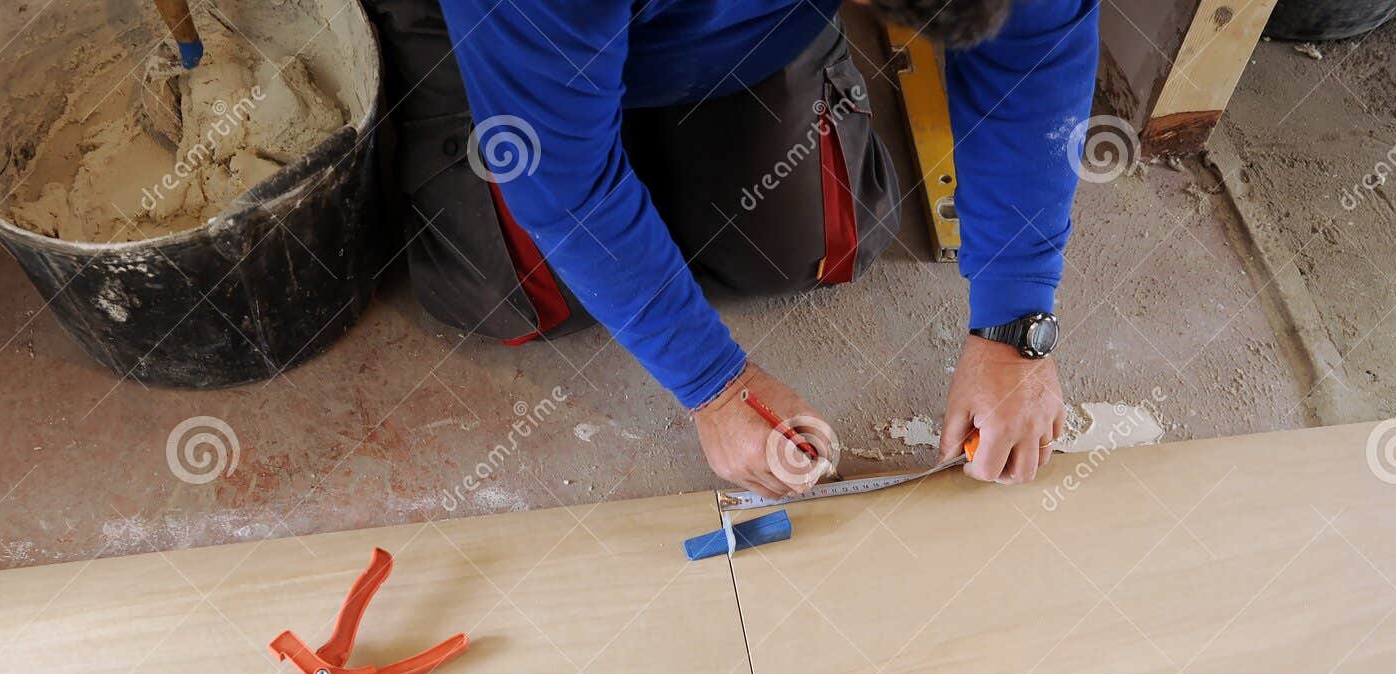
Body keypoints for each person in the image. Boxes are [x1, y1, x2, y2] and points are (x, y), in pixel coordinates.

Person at [368, 0, 1099, 495]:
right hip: (513, 28)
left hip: (739, 25)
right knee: (511, 293)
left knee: (803, 246)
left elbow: (1035, 46)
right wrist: (714, 387)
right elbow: (561, 181)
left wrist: (1016, 325)